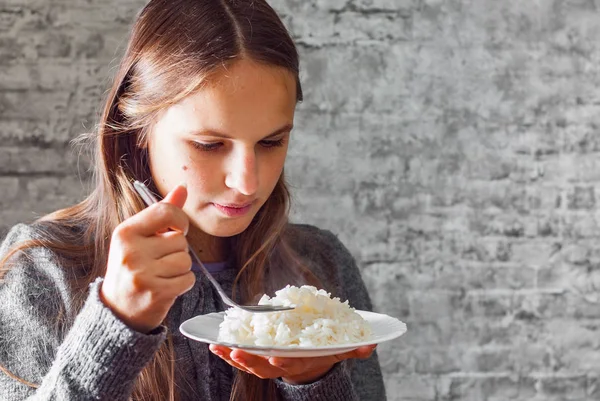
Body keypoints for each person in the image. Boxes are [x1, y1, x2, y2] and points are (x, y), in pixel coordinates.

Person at [0, 0, 387, 400]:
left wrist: (315, 382)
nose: (247, 182)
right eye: (209, 144)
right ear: (138, 131)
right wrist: (115, 323)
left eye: (271, 142)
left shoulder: (322, 265)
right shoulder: (43, 270)